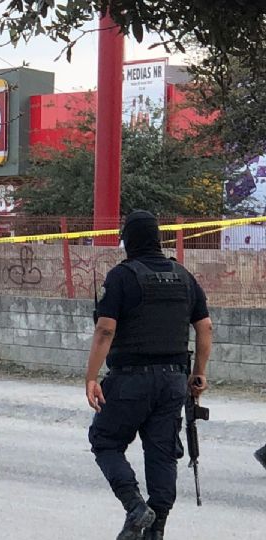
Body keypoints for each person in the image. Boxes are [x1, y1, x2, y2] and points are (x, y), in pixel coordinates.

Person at [85, 210, 212, 540]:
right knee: (162, 454)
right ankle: (157, 529)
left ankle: (135, 507)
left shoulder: (122, 276)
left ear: (129, 241)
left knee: (105, 440)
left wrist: (91, 377)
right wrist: (198, 375)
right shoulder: (184, 277)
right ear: (157, 239)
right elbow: (205, 328)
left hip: (130, 378)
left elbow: (105, 330)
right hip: (173, 381)